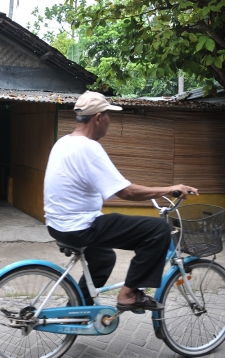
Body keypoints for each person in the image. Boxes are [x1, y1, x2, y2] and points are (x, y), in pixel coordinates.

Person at [43, 91, 198, 311]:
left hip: (58, 224)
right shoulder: (88, 148)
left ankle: (75, 310)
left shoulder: (64, 142)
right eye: (108, 116)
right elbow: (127, 193)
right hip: (80, 226)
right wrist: (170, 188)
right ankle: (128, 295)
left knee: (104, 258)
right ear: (98, 117)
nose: (109, 122)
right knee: (158, 230)